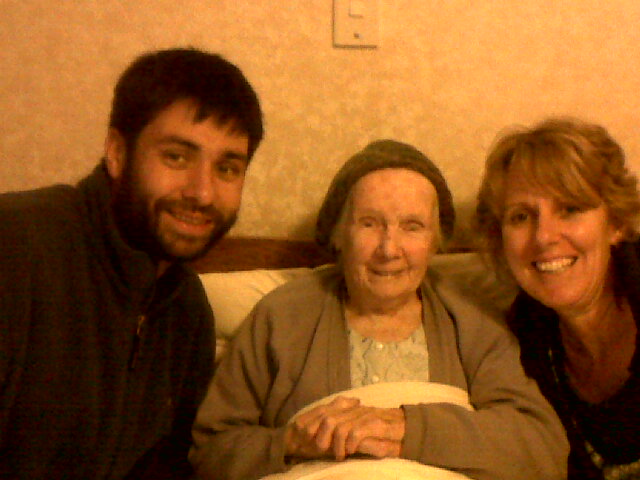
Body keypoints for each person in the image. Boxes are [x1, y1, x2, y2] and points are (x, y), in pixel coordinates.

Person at [190, 140, 568, 480]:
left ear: (435, 242)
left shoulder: (472, 319)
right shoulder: (281, 315)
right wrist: (290, 443)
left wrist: (404, 428)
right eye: (370, 224)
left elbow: (541, 447)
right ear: (339, 234)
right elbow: (209, 451)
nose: (389, 249)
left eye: (412, 227)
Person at [0, 47, 263, 479]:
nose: (202, 193)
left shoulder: (188, 311)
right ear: (117, 153)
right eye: (176, 157)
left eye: (228, 168)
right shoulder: (15, 247)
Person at [475, 117, 640, 479]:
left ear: (616, 223)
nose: (544, 236)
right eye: (521, 216)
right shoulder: (521, 341)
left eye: (570, 209)